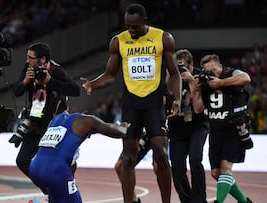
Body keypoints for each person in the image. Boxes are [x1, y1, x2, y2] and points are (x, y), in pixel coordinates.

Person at [80, 3, 181, 203]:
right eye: (128, 26)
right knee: (128, 157)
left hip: (153, 104)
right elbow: (110, 75)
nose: (131, 30)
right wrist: (93, 84)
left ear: (145, 21)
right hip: (131, 106)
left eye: (135, 26)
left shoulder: (163, 38)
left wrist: (177, 99)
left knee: (161, 154)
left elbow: (174, 73)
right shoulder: (118, 42)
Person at [9, 42, 80, 179]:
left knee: (63, 161)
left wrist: (50, 81)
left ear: (42, 59)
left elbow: (75, 90)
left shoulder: (55, 70)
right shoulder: (28, 68)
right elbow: (16, 91)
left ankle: (65, 188)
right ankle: (48, 189)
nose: (27, 60)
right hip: (35, 121)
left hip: (54, 124)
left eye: (31, 58)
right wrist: (25, 82)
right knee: (22, 161)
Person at [29, 111, 130, 203]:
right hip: (55, 169)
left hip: (35, 166)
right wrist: (125, 126)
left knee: (57, 197)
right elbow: (119, 132)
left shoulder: (56, 121)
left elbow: (69, 167)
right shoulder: (89, 120)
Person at [193, 54, 252, 203]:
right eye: (206, 70)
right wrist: (196, 88)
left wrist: (221, 83)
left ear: (219, 66)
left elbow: (246, 78)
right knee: (216, 173)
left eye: (212, 69)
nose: (210, 73)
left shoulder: (231, 73)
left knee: (226, 168)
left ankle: (218, 201)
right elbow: (198, 109)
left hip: (234, 128)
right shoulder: (205, 81)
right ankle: (244, 201)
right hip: (215, 131)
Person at [167, 49, 209, 203]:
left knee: (195, 159)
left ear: (191, 66)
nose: (179, 71)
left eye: (182, 67)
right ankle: (186, 200)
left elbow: (198, 109)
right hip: (177, 127)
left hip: (197, 125)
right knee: (177, 166)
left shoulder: (199, 77)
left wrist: (191, 81)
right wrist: (169, 76)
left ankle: (199, 200)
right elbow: (165, 95)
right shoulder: (170, 77)